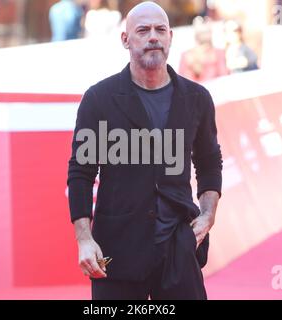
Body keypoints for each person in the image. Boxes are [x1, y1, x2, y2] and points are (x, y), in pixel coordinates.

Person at [67, 1, 222, 300]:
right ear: (125, 40)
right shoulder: (100, 99)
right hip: (115, 250)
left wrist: (207, 216)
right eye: (143, 30)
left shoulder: (196, 98)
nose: (153, 36)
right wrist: (84, 239)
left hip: (179, 246)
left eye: (160, 30)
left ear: (170, 37)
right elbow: (81, 173)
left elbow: (209, 161)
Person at [179, 16, 228, 83]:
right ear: (196, 34)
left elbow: (224, 77)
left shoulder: (219, 53)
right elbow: (181, 81)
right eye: (202, 32)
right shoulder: (186, 55)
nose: (205, 34)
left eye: (207, 32)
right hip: (193, 91)